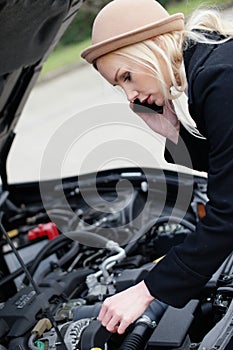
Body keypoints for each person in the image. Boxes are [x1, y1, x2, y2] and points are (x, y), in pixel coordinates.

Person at [81, 0, 233, 335]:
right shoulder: (210, 64)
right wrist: (174, 134)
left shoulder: (219, 78)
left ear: (149, 46)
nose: (130, 95)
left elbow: (229, 215)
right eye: (120, 86)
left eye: (127, 76)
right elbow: (226, 169)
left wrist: (146, 290)